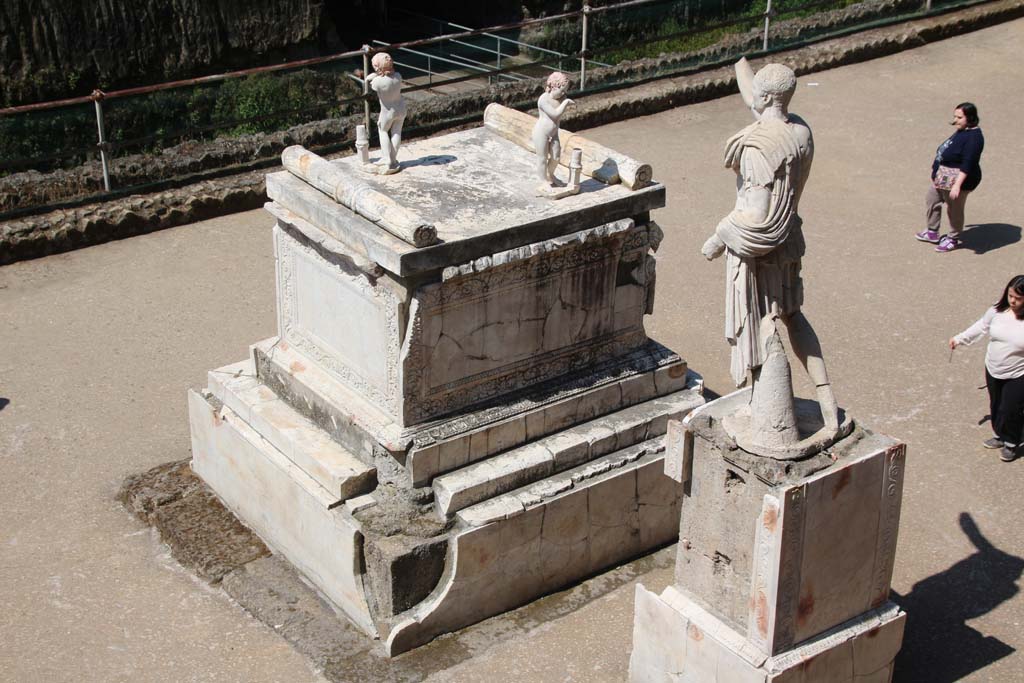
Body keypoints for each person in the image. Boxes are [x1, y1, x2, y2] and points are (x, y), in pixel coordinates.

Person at [701, 58, 839, 440]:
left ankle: (774, 422)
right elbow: (759, 96)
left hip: (759, 251)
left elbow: (758, 217)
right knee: (793, 315)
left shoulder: (759, 146)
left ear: (763, 97)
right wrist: (741, 66)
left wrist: (719, 235)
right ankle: (828, 407)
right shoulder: (800, 132)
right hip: (789, 239)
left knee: (763, 326)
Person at [950, 275, 1024, 463]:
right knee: (996, 405)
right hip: (993, 367)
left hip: (1018, 374)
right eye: (1010, 296)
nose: (1013, 301)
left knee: (1010, 408)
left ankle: (1012, 442)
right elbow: (982, 326)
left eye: (1018, 298)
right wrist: (959, 338)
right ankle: (1000, 434)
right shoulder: (997, 311)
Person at [915, 102, 984, 253]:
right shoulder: (962, 130)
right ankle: (932, 232)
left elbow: (968, 164)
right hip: (944, 176)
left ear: (970, 118)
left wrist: (957, 185)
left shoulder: (974, 138)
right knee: (932, 199)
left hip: (959, 179)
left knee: (954, 209)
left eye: (959, 117)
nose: (955, 120)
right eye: (955, 116)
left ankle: (953, 238)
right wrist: (935, 170)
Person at [364, 51, 406, 172]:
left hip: (388, 111)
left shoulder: (378, 82)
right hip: (401, 108)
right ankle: (393, 158)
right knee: (397, 132)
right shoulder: (398, 76)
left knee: (383, 131)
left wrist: (373, 76)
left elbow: (370, 83)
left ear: (378, 67)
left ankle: (386, 158)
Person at [532, 72, 574, 186]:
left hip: (554, 133)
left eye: (565, 91)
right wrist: (565, 103)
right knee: (542, 158)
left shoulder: (561, 98)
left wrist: (563, 100)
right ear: (554, 87)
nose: (564, 94)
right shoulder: (543, 99)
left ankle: (551, 175)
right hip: (541, 133)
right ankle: (543, 180)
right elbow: (555, 114)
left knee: (556, 157)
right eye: (562, 90)